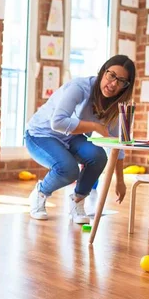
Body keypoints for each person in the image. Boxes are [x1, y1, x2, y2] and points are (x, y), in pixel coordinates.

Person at [25, 55, 136, 223]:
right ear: (102, 71)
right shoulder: (80, 87)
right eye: (111, 75)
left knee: (98, 157)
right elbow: (57, 122)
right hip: (41, 134)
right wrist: (95, 126)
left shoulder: (115, 105)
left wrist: (120, 180)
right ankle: (40, 193)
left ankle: (77, 201)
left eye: (121, 81)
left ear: (125, 86)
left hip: (70, 138)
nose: (113, 84)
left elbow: (116, 143)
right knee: (69, 170)